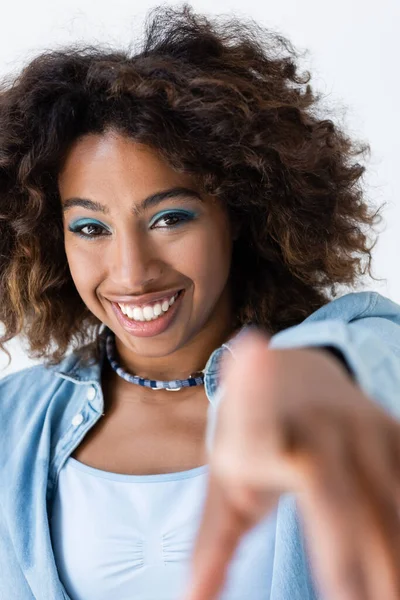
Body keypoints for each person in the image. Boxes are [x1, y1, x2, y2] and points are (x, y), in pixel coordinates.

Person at [0, 4, 399, 600]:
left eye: (170, 218)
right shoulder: (14, 421)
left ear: (236, 213)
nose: (131, 272)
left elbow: (373, 350)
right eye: (90, 228)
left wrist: (332, 371)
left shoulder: (328, 367)